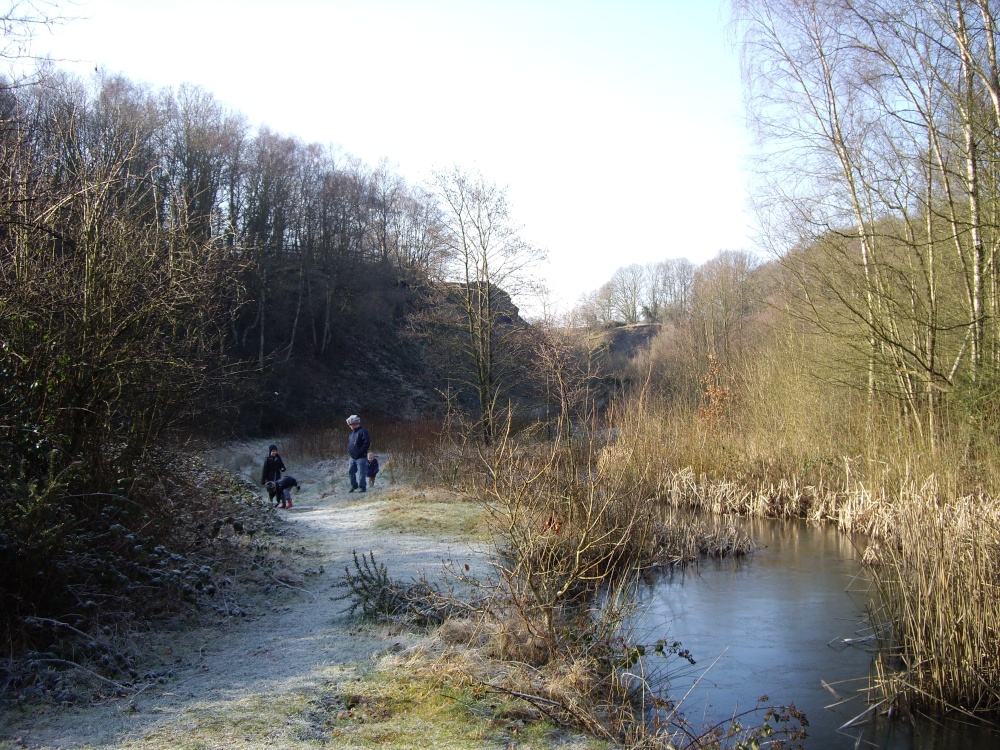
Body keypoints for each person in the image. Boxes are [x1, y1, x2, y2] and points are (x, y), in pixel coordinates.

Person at [346, 415, 371, 492]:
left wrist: (360, 452)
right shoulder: (352, 433)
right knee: (351, 472)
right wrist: (349, 449)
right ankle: (354, 486)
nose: (349, 426)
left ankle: (362, 487)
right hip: (352, 457)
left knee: (361, 473)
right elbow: (349, 442)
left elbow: (366, 443)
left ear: (354, 423)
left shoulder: (363, 431)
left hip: (361, 457)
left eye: (350, 424)